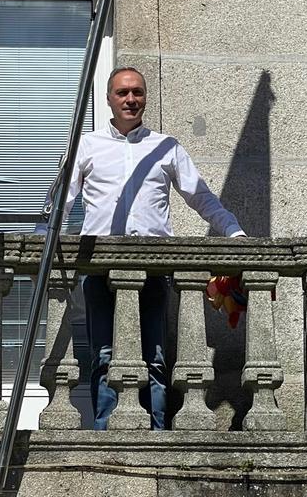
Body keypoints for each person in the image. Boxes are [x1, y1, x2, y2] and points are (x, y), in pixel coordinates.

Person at [61, 66, 245, 431]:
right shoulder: (88, 145)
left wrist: (233, 232)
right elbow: (62, 202)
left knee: (156, 357)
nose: (131, 99)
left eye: (138, 93)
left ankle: (157, 430)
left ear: (145, 98)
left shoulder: (165, 147)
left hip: (153, 271)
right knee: (102, 355)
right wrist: (40, 242)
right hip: (101, 270)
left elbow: (200, 197)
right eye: (123, 93)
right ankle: (104, 431)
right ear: (109, 99)